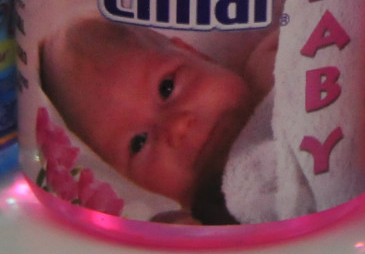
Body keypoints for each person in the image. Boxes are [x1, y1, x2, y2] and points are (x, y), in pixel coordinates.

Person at [39, 15, 279, 224]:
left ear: (193, 53)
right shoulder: (197, 218)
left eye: (167, 87)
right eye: (138, 143)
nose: (176, 128)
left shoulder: (272, 65)